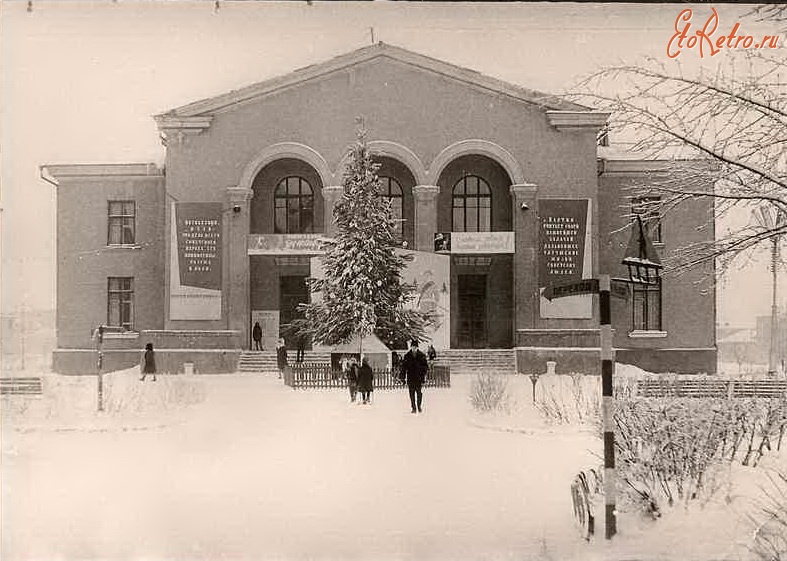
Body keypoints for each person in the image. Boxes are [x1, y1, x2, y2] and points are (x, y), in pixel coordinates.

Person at [400, 340, 428, 414]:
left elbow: (425, 367)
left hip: (419, 378)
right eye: (412, 347)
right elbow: (403, 368)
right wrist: (402, 378)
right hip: (410, 378)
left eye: (415, 347)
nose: (414, 348)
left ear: (417, 347)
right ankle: (413, 408)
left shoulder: (421, 355)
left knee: (419, 394)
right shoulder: (407, 356)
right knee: (411, 394)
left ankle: (419, 406)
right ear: (411, 347)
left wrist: (422, 373)